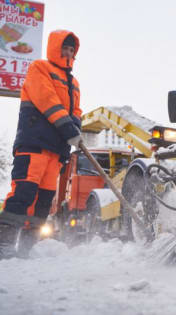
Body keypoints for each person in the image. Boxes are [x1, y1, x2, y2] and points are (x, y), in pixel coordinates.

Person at [0, 30, 82, 259]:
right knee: (23, 194)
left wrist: (77, 130)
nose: (68, 52)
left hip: (56, 152)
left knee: (44, 202)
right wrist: (69, 130)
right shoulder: (39, 68)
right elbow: (48, 101)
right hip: (34, 144)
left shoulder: (74, 83)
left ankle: (28, 247)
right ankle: (4, 245)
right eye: (65, 48)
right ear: (55, 48)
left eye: (71, 50)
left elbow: (76, 112)